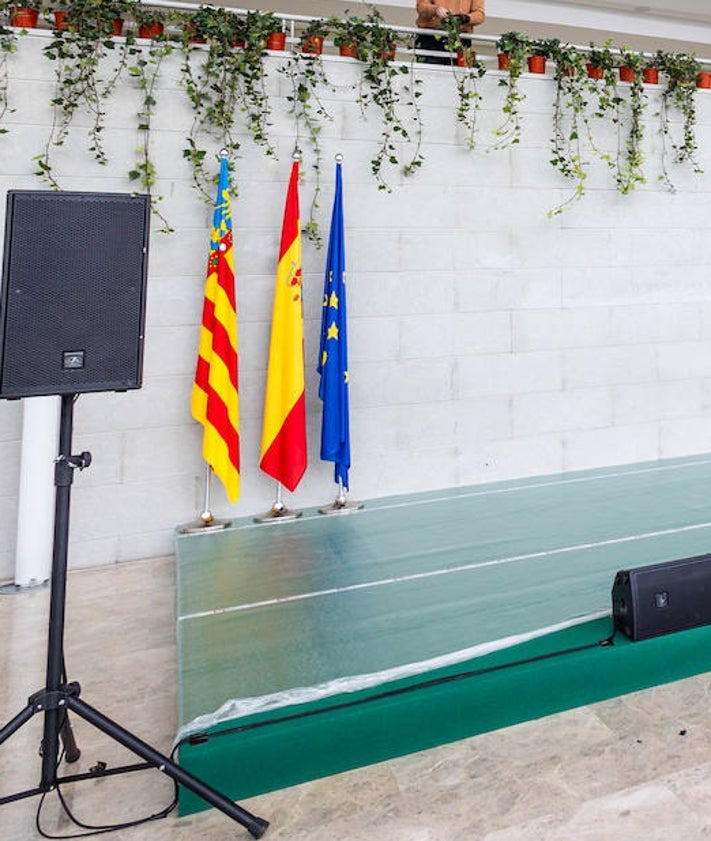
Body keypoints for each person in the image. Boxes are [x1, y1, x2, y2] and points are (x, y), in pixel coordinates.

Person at [415, 0, 485, 65]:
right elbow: (421, 6)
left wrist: (465, 18)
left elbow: (480, 14)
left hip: (461, 40)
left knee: (461, 74)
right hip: (431, 38)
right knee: (428, 73)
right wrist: (435, 9)